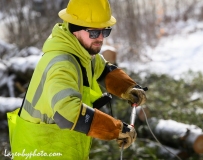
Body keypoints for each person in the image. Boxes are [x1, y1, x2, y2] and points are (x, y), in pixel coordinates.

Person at [7, 0, 147, 159]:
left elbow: (102, 68)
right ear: (74, 29)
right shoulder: (62, 65)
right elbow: (68, 113)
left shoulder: (81, 52)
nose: (101, 38)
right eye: (94, 32)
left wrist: (128, 88)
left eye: (105, 31)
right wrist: (116, 129)